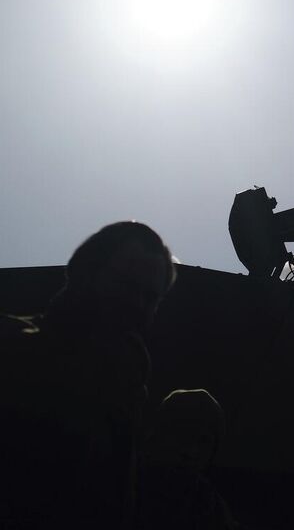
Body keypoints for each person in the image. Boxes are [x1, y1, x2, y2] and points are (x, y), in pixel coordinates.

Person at [0, 220, 177, 528]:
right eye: (126, 285)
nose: (136, 304)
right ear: (85, 273)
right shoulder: (12, 346)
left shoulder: (129, 389)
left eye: (150, 297)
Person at [136, 389, 238, 530]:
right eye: (183, 435)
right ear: (159, 436)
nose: (191, 451)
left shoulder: (207, 501)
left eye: (203, 442)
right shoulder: (130, 486)